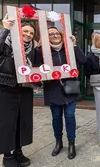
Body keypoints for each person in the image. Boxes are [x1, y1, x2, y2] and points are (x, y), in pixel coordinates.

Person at [0, 14, 38, 167]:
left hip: (24, 88)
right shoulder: (6, 43)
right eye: (25, 31)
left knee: (22, 121)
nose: (28, 35)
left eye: (31, 33)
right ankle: (7, 155)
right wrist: (5, 28)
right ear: (17, 31)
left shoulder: (33, 50)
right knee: (5, 122)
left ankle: (18, 151)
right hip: (5, 87)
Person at [35, 27, 86, 159]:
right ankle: (58, 142)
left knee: (70, 116)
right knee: (56, 117)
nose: (54, 35)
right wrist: (38, 49)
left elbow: (83, 61)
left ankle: (71, 143)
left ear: (61, 35)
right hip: (53, 89)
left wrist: (74, 45)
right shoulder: (44, 52)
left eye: (56, 33)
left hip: (70, 88)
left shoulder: (69, 49)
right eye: (50, 34)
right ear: (47, 38)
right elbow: (36, 66)